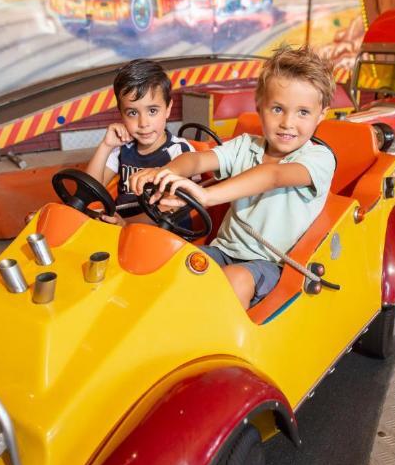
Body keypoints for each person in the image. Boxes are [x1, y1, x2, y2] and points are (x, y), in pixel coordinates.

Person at [129, 46, 337, 308]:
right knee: (173, 261)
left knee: (235, 279)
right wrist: (167, 172)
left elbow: (273, 175)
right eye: (277, 109)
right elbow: (196, 159)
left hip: (273, 265)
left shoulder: (319, 158)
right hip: (223, 251)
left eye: (303, 112)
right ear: (259, 106)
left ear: (321, 114)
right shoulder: (244, 146)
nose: (287, 122)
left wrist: (206, 195)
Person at [84, 59, 193, 223]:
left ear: (168, 109)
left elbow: (170, 208)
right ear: (121, 114)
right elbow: (89, 192)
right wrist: (106, 146)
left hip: (163, 231)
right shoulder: (121, 148)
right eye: (133, 113)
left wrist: (126, 224)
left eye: (152, 111)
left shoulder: (180, 151)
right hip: (121, 226)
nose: (143, 123)